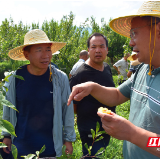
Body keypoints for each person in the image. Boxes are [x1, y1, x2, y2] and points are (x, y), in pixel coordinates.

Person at [67, 1, 160, 159]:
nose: (130, 42)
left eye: (134, 34)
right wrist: (93, 87)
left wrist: (133, 134)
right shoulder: (144, 69)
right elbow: (117, 95)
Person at [2, 29, 76, 159]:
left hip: (50, 148)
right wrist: (6, 136)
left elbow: (67, 109)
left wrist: (68, 139)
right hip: (20, 146)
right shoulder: (15, 78)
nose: (45, 55)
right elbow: (8, 109)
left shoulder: (60, 78)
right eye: (39, 50)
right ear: (26, 55)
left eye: (48, 49)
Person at [69, 33, 116, 158]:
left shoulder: (106, 68)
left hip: (107, 123)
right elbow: (72, 105)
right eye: (94, 47)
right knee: (91, 155)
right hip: (90, 127)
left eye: (101, 46)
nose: (98, 50)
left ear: (107, 50)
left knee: (101, 153)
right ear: (88, 51)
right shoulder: (81, 74)